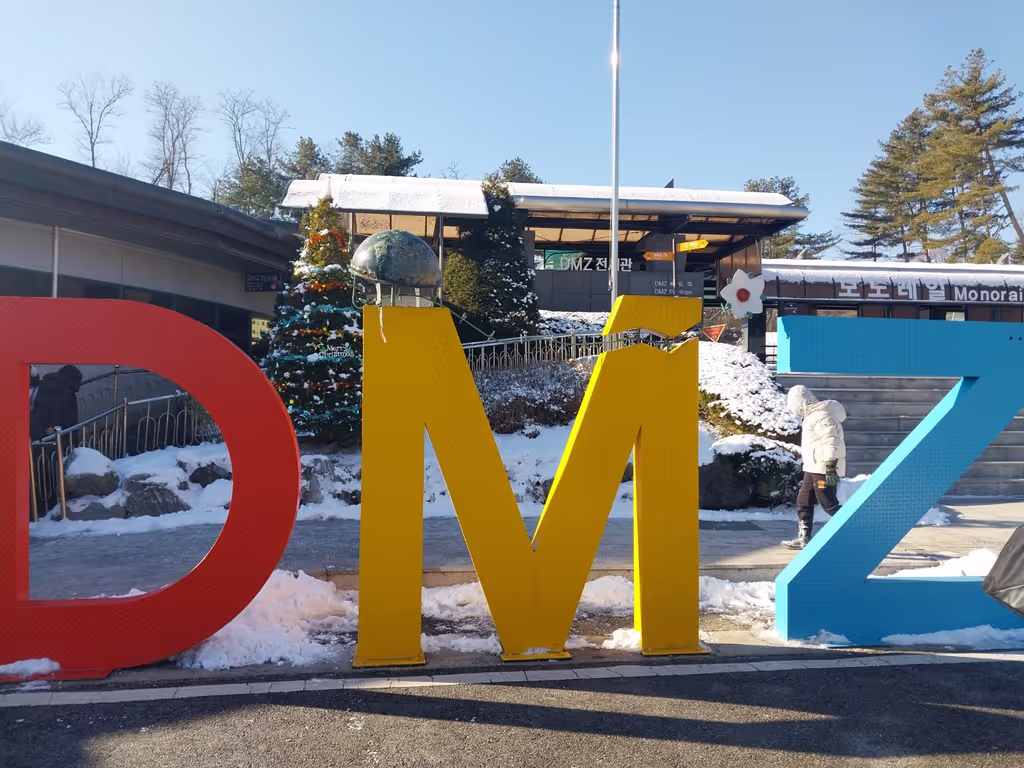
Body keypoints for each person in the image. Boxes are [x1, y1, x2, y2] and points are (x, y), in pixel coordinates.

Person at [782, 384, 847, 550]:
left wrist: (831, 467)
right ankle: (804, 538)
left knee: (829, 504)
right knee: (803, 501)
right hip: (812, 469)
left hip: (824, 470)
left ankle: (859, 531)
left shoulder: (822, 417)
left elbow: (831, 441)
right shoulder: (812, 417)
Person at [30, 365, 83, 442]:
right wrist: (59, 428)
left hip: (39, 433)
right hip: (59, 437)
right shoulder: (68, 394)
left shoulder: (42, 386)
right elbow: (70, 419)